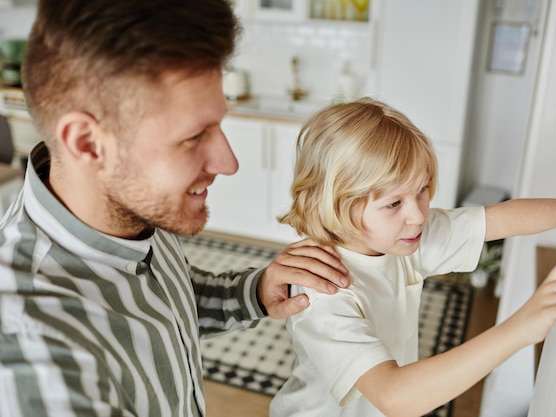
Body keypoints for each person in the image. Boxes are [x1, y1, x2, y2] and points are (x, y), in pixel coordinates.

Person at [0, 1, 350, 416]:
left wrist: (254, 292)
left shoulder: (130, 209)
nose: (228, 162)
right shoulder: (35, 355)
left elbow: (161, 298)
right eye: (192, 137)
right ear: (88, 144)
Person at [270, 98, 556, 417]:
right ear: (336, 205)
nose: (418, 215)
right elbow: (394, 396)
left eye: (422, 190)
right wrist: (522, 327)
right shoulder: (321, 290)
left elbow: (499, 218)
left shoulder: (402, 238)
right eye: (393, 203)